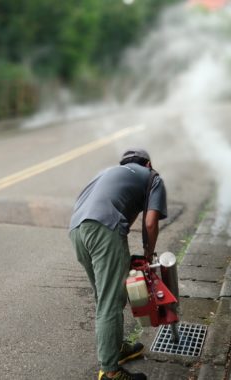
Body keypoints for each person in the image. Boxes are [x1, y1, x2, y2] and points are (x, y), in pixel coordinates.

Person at [69, 149, 168, 380]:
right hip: (102, 229)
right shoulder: (153, 177)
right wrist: (148, 253)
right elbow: (150, 222)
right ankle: (110, 371)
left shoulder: (108, 173)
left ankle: (117, 348)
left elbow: (126, 213)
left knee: (104, 296)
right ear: (149, 164)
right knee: (111, 301)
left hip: (76, 229)